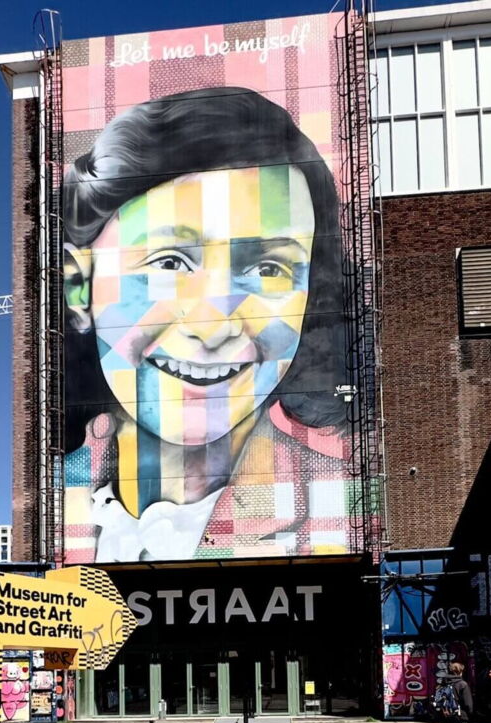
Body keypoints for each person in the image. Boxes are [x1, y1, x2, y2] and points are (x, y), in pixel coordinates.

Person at [63, 87, 350, 563]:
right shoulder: (58, 496)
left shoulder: (338, 508)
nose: (214, 324)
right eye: (168, 263)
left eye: (269, 269)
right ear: (79, 287)